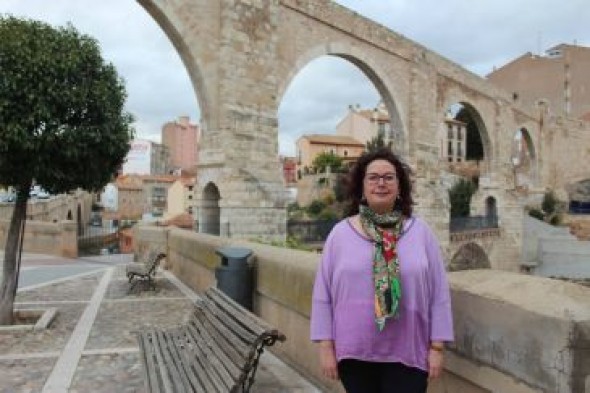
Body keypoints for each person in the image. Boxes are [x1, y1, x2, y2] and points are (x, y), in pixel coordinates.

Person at [310, 148, 453, 393]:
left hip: (409, 351)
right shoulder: (340, 234)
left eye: (389, 177)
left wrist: (437, 348)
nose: (381, 183)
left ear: (400, 186)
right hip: (354, 353)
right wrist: (326, 347)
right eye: (373, 177)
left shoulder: (421, 233)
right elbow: (323, 294)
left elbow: (439, 293)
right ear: (362, 187)